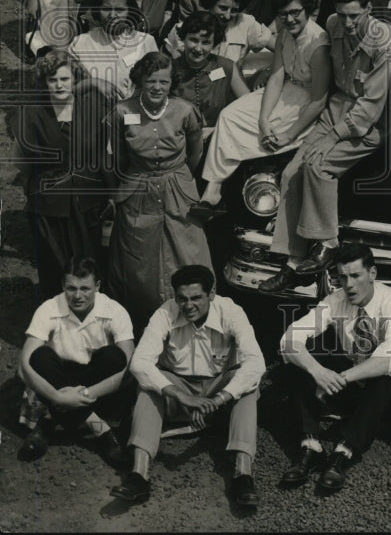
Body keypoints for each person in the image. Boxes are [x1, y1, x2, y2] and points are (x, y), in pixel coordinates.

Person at [259, 0, 391, 290]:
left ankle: (328, 242)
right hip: (336, 109)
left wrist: (330, 137)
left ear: (369, 9)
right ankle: (292, 262)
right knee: (291, 172)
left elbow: (371, 106)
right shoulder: (334, 24)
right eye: (341, 15)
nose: (347, 24)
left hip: (368, 123)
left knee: (317, 166)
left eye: (354, 16)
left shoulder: (385, 41)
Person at [113, 264, 265, 508]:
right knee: (148, 385)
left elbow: (256, 362)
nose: (188, 305)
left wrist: (219, 399)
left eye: (196, 298)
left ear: (211, 294)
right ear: (175, 297)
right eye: (182, 299)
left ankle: (243, 474)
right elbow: (140, 362)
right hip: (180, 391)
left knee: (249, 384)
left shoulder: (231, 311)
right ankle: (138, 475)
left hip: (218, 393)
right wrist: (183, 397)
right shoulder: (165, 313)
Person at [278, 243, 391, 493]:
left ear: (372, 274)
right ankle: (311, 446)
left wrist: (339, 379)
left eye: (355, 276)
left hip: (378, 392)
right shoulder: (335, 300)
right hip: (347, 384)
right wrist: (318, 372)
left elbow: (389, 358)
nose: (348, 285)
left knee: (386, 376)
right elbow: (289, 338)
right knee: (296, 362)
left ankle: (343, 452)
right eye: (342, 277)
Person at [105, 52, 211, 328]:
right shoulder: (122, 111)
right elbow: (118, 157)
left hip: (178, 189)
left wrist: (178, 178)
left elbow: (195, 152)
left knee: (188, 253)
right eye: (151, 81)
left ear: (171, 83)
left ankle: (193, 320)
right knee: (139, 261)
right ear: (140, 80)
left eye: (163, 82)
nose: (157, 88)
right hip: (138, 189)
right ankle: (145, 324)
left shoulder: (185, 111)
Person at [200, 0, 331, 204]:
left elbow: (319, 101)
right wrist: (262, 118)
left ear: (307, 10)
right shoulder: (284, 34)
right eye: (283, 14)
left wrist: (289, 135)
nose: (289, 19)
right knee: (230, 115)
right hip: (285, 90)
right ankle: (214, 186)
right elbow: (277, 77)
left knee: (274, 129)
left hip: (305, 100)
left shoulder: (318, 45)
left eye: (295, 12)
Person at [12, 52, 111, 298]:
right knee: (55, 268)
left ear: (75, 80)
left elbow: (104, 154)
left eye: (64, 79)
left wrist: (109, 194)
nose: (59, 85)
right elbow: (22, 164)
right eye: (52, 79)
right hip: (49, 207)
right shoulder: (31, 115)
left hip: (88, 204)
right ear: (44, 82)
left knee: (90, 265)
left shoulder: (93, 108)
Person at [18, 257, 134, 462]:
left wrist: (85, 393)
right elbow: (23, 367)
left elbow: (130, 369)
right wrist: (57, 397)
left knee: (115, 357)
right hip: (59, 376)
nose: (77, 296)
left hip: (96, 379)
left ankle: (49, 420)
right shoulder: (49, 308)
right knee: (39, 357)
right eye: (71, 288)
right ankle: (101, 431)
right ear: (63, 285)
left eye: (85, 288)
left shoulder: (114, 311)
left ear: (97, 286)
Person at [68, 0, 158, 101]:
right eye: (106, 9)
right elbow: (66, 89)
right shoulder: (80, 43)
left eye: (120, 10)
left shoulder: (146, 42)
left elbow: (157, 84)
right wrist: (93, 82)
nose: (112, 15)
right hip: (92, 112)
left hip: (134, 113)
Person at [166, 0, 274, 70]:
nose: (227, 16)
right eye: (223, 8)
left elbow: (280, 47)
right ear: (211, 3)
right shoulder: (185, 29)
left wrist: (267, 72)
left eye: (234, 10)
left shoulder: (245, 22)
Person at [170, 12, 251, 131]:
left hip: (219, 134)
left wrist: (217, 129)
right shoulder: (170, 69)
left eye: (206, 42)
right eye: (193, 40)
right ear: (184, 38)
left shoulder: (227, 67)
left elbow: (248, 106)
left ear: (214, 44)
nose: (198, 48)